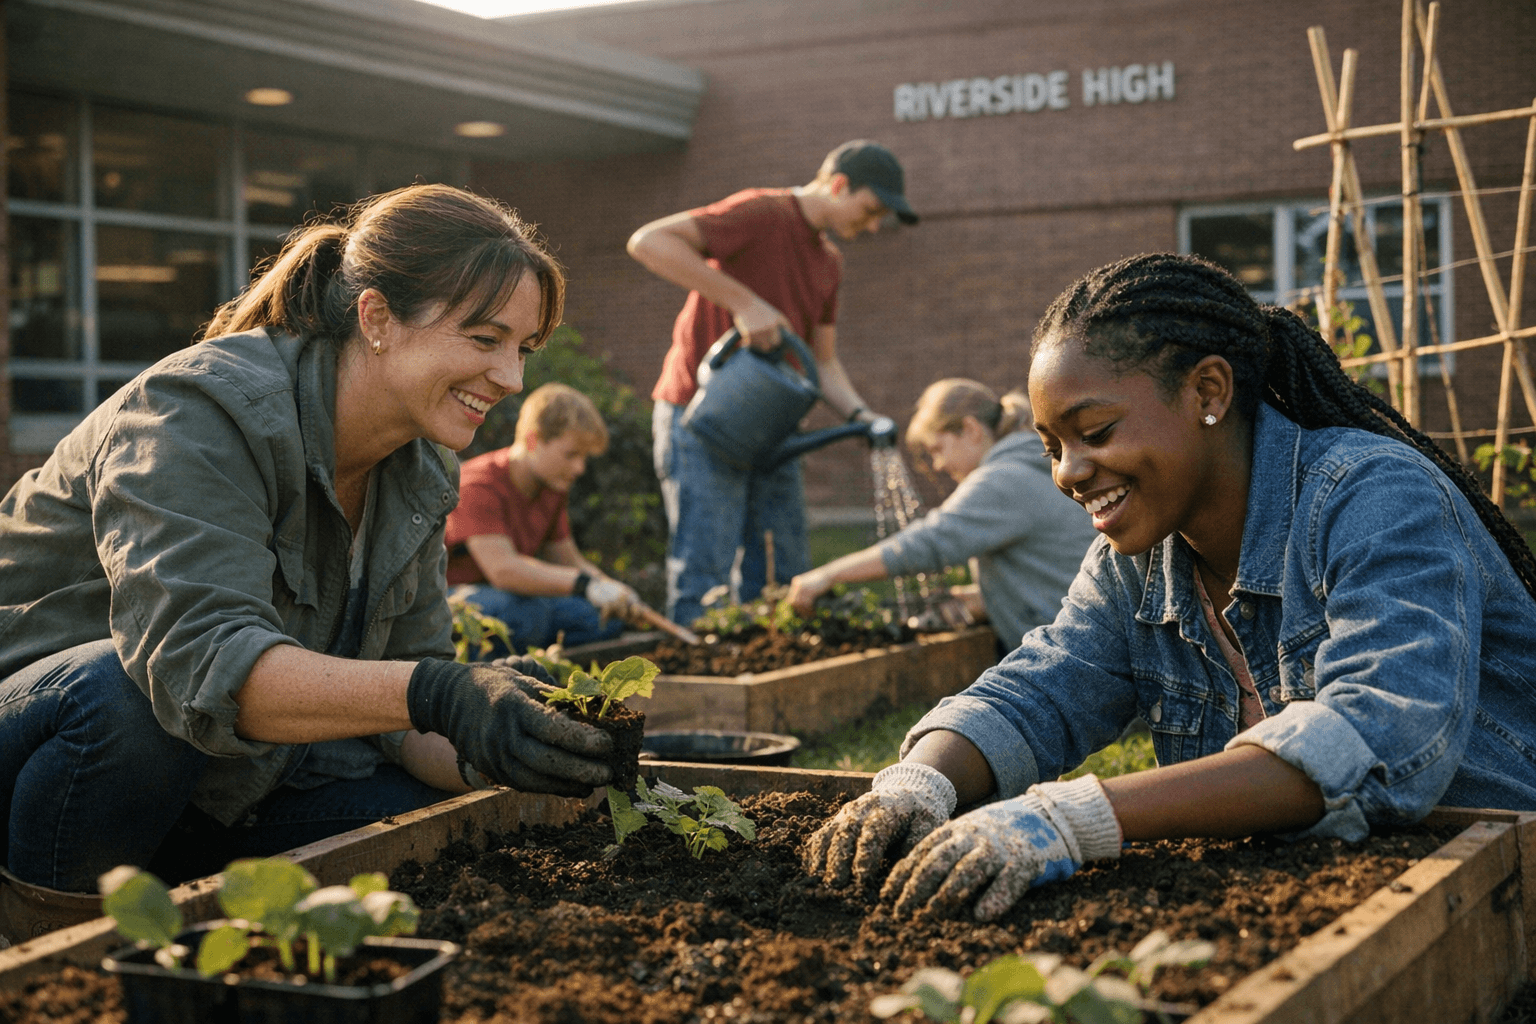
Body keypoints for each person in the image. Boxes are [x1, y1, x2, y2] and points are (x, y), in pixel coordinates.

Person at [803, 252, 1536, 923]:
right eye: (1053, 447)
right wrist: (916, 785)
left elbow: (1377, 734)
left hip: (1487, 898)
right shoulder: (1140, 557)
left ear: (1208, 391)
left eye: (1095, 431)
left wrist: (1074, 816)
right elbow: (1039, 689)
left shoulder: (1370, 497)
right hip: (1306, 899)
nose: (1068, 472)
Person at [0, 184, 613, 928]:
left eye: (522, 349)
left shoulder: (418, 467)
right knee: (122, 698)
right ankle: (49, 959)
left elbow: (401, 710)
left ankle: (193, 914)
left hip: (218, 781)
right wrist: (440, 691)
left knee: (432, 828)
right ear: (378, 318)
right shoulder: (197, 413)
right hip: (53, 744)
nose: (512, 379)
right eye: (484, 340)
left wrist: (509, 738)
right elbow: (206, 668)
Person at [627, 139, 919, 627]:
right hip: (699, 417)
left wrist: (861, 417)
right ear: (839, 184)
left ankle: (770, 681)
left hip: (772, 429)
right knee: (707, 572)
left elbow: (822, 363)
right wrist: (744, 303)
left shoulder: (829, 263)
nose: (871, 227)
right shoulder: (763, 213)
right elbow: (648, 242)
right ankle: (702, 693)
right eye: (870, 210)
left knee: (783, 568)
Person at [786, 379, 1097, 653]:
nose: (937, 465)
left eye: (937, 449)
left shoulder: (1002, 478)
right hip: (1090, 632)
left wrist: (828, 575)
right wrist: (988, 597)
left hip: (1070, 651)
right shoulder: (1028, 465)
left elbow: (930, 542)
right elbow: (1052, 570)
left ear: (971, 429)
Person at [446, 382, 639, 654]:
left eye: (583, 457)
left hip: (517, 600)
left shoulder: (551, 487)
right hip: (456, 599)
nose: (579, 468)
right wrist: (586, 585)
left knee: (602, 620)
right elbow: (503, 570)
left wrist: (612, 590)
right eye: (571, 455)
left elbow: (567, 560)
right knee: (524, 613)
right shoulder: (478, 484)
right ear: (534, 440)